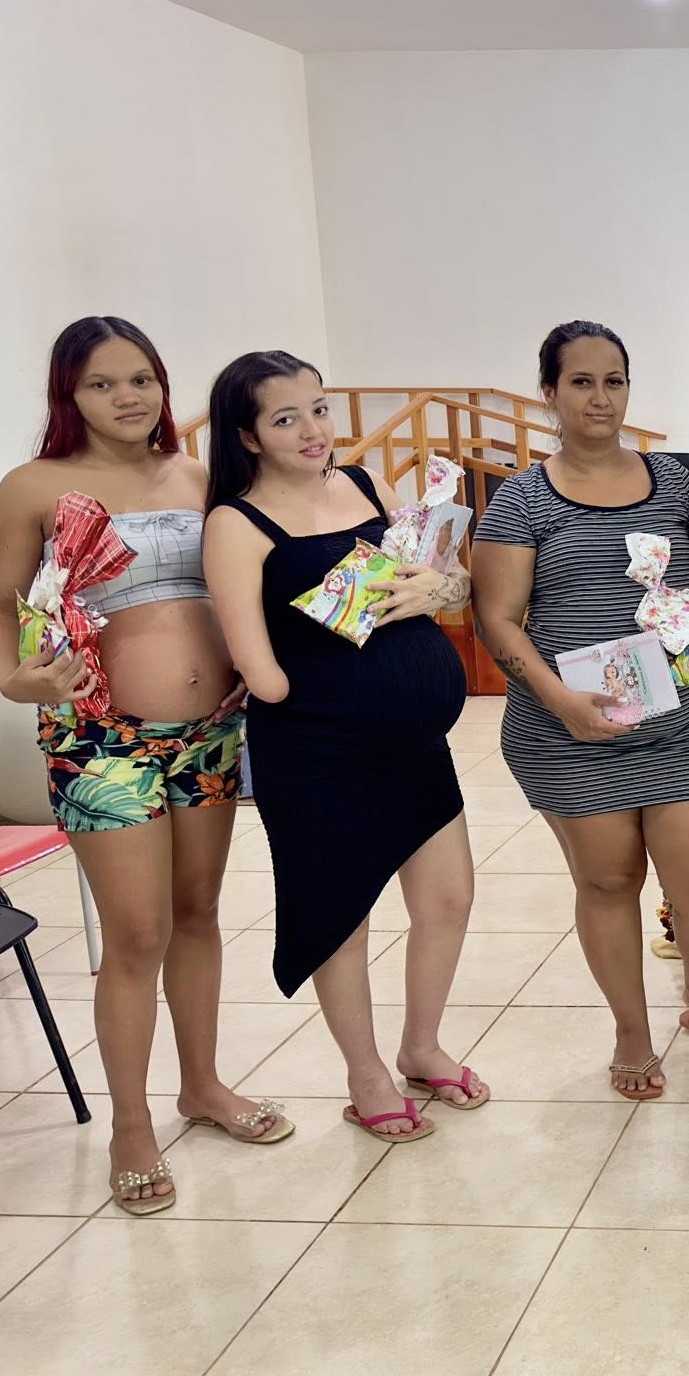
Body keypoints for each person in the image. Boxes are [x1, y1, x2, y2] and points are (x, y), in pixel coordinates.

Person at [0, 317, 283, 1215]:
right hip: (99, 740)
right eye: (102, 384)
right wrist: (15, 679)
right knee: (137, 934)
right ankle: (131, 1124)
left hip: (210, 735)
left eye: (141, 378)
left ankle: (203, 1085)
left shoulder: (201, 477)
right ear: (68, 396)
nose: (127, 397)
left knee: (198, 913)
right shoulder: (33, 486)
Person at [471, 321, 689, 1095]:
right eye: (581, 382)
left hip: (681, 725)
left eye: (614, 381)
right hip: (570, 732)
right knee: (608, 882)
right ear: (550, 393)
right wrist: (562, 701)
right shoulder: (521, 501)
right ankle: (632, 1032)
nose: (600, 398)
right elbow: (496, 619)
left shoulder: (677, 485)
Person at [204, 351, 486, 1141]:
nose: (313, 429)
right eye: (285, 418)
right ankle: (366, 1077)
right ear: (248, 436)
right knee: (341, 915)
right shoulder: (235, 523)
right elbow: (262, 675)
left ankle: (421, 1046)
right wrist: (320, 644)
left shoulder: (367, 486)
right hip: (317, 756)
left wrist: (436, 589)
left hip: (413, 747)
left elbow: (449, 584)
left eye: (319, 409)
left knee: (448, 897)